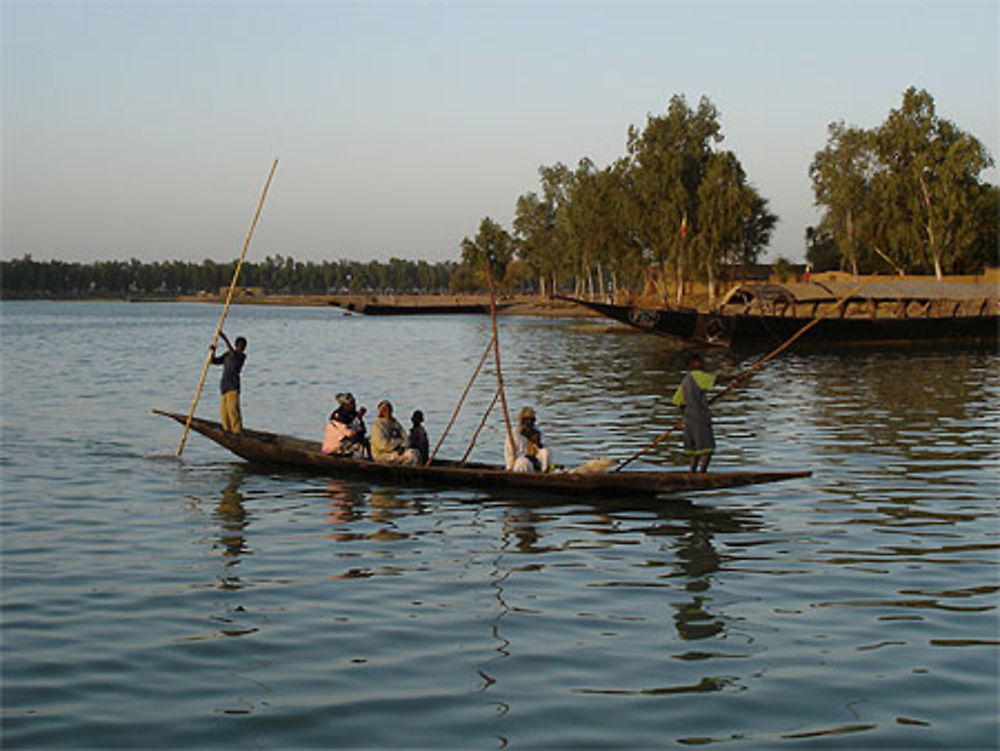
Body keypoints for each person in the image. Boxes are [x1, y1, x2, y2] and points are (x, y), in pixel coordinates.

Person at [672, 353, 717, 472]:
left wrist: (688, 410)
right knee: (707, 448)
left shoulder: (685, 380)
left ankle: (692, 472)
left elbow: (677, 401)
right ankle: (703, 473)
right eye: (699, 362)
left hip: (688, 418)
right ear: (692, 364)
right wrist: (737, 377)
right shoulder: (697, 375)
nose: (702, 364)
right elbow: (716, 380)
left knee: (694, 450)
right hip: (700, 417)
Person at [209, 332, 247, 434]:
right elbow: (214, 361)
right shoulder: (227, 355)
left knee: (233, 410)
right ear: (236, 345)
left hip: (233, 387)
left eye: (243, 346)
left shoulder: (241, 356)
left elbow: (233, 355)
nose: (242, 348)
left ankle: (237, 431)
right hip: (224, 386)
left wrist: (225, 339)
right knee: (224, 412)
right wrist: (213, 351)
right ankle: (227, 430)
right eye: (240, 346)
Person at [370, 400, 420, 465]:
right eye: (385, 410)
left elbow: (405, 437)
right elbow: (382, 445)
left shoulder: (394, 422)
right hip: (382, 455)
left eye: (389, 409)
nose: (388, 412)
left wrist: (403, 446)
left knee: (415, 453)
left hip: (398, 451)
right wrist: (397, 444)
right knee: (411, 456)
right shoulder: (377, 425)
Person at [322, 392, 369, 459]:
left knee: (366, 441)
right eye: (351, 404)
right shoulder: (338, 416)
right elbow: (349, 433)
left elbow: (363, 430)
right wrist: (358, 418)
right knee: (358, 445)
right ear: (344, 405)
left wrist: (359, 419)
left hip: (346, 444)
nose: (354, 406)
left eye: (354, 403)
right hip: (335, 448)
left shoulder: (353, 414)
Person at [505, 406, 553, 473]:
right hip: (520, 463)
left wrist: (538, 443)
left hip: (534, 464)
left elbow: (543, 448)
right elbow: (509, 453)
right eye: (526, 419)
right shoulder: (514, 433)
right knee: (523, 462)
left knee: (545, 452)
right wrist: (510, 468)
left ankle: (544, 474)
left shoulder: (537, 431)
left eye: (531, 420)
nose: (529, 422)